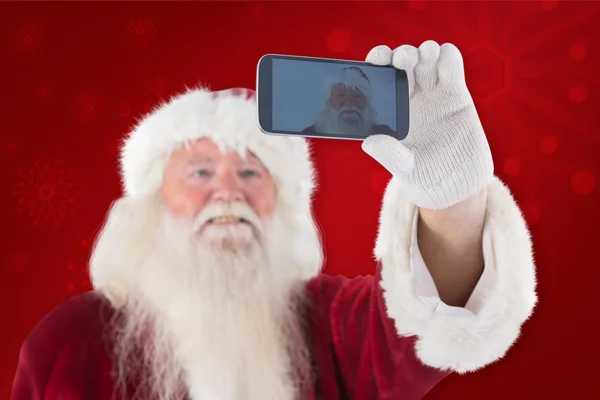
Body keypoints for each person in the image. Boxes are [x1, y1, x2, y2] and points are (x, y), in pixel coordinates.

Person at [11, 41, 538, 400]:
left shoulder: (327, 324)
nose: (227, 190)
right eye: (199, 171)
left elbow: (415, 332)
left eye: (250, 171)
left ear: (280, 203)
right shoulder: (67, 343)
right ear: (151, 201)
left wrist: (451, 197)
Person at [302, 65, 395, 137]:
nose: (349, 102)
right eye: (341, 95)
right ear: (329, 102)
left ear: (367, 102)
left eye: (356, 95)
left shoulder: (385, 136)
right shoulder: (308, 136)